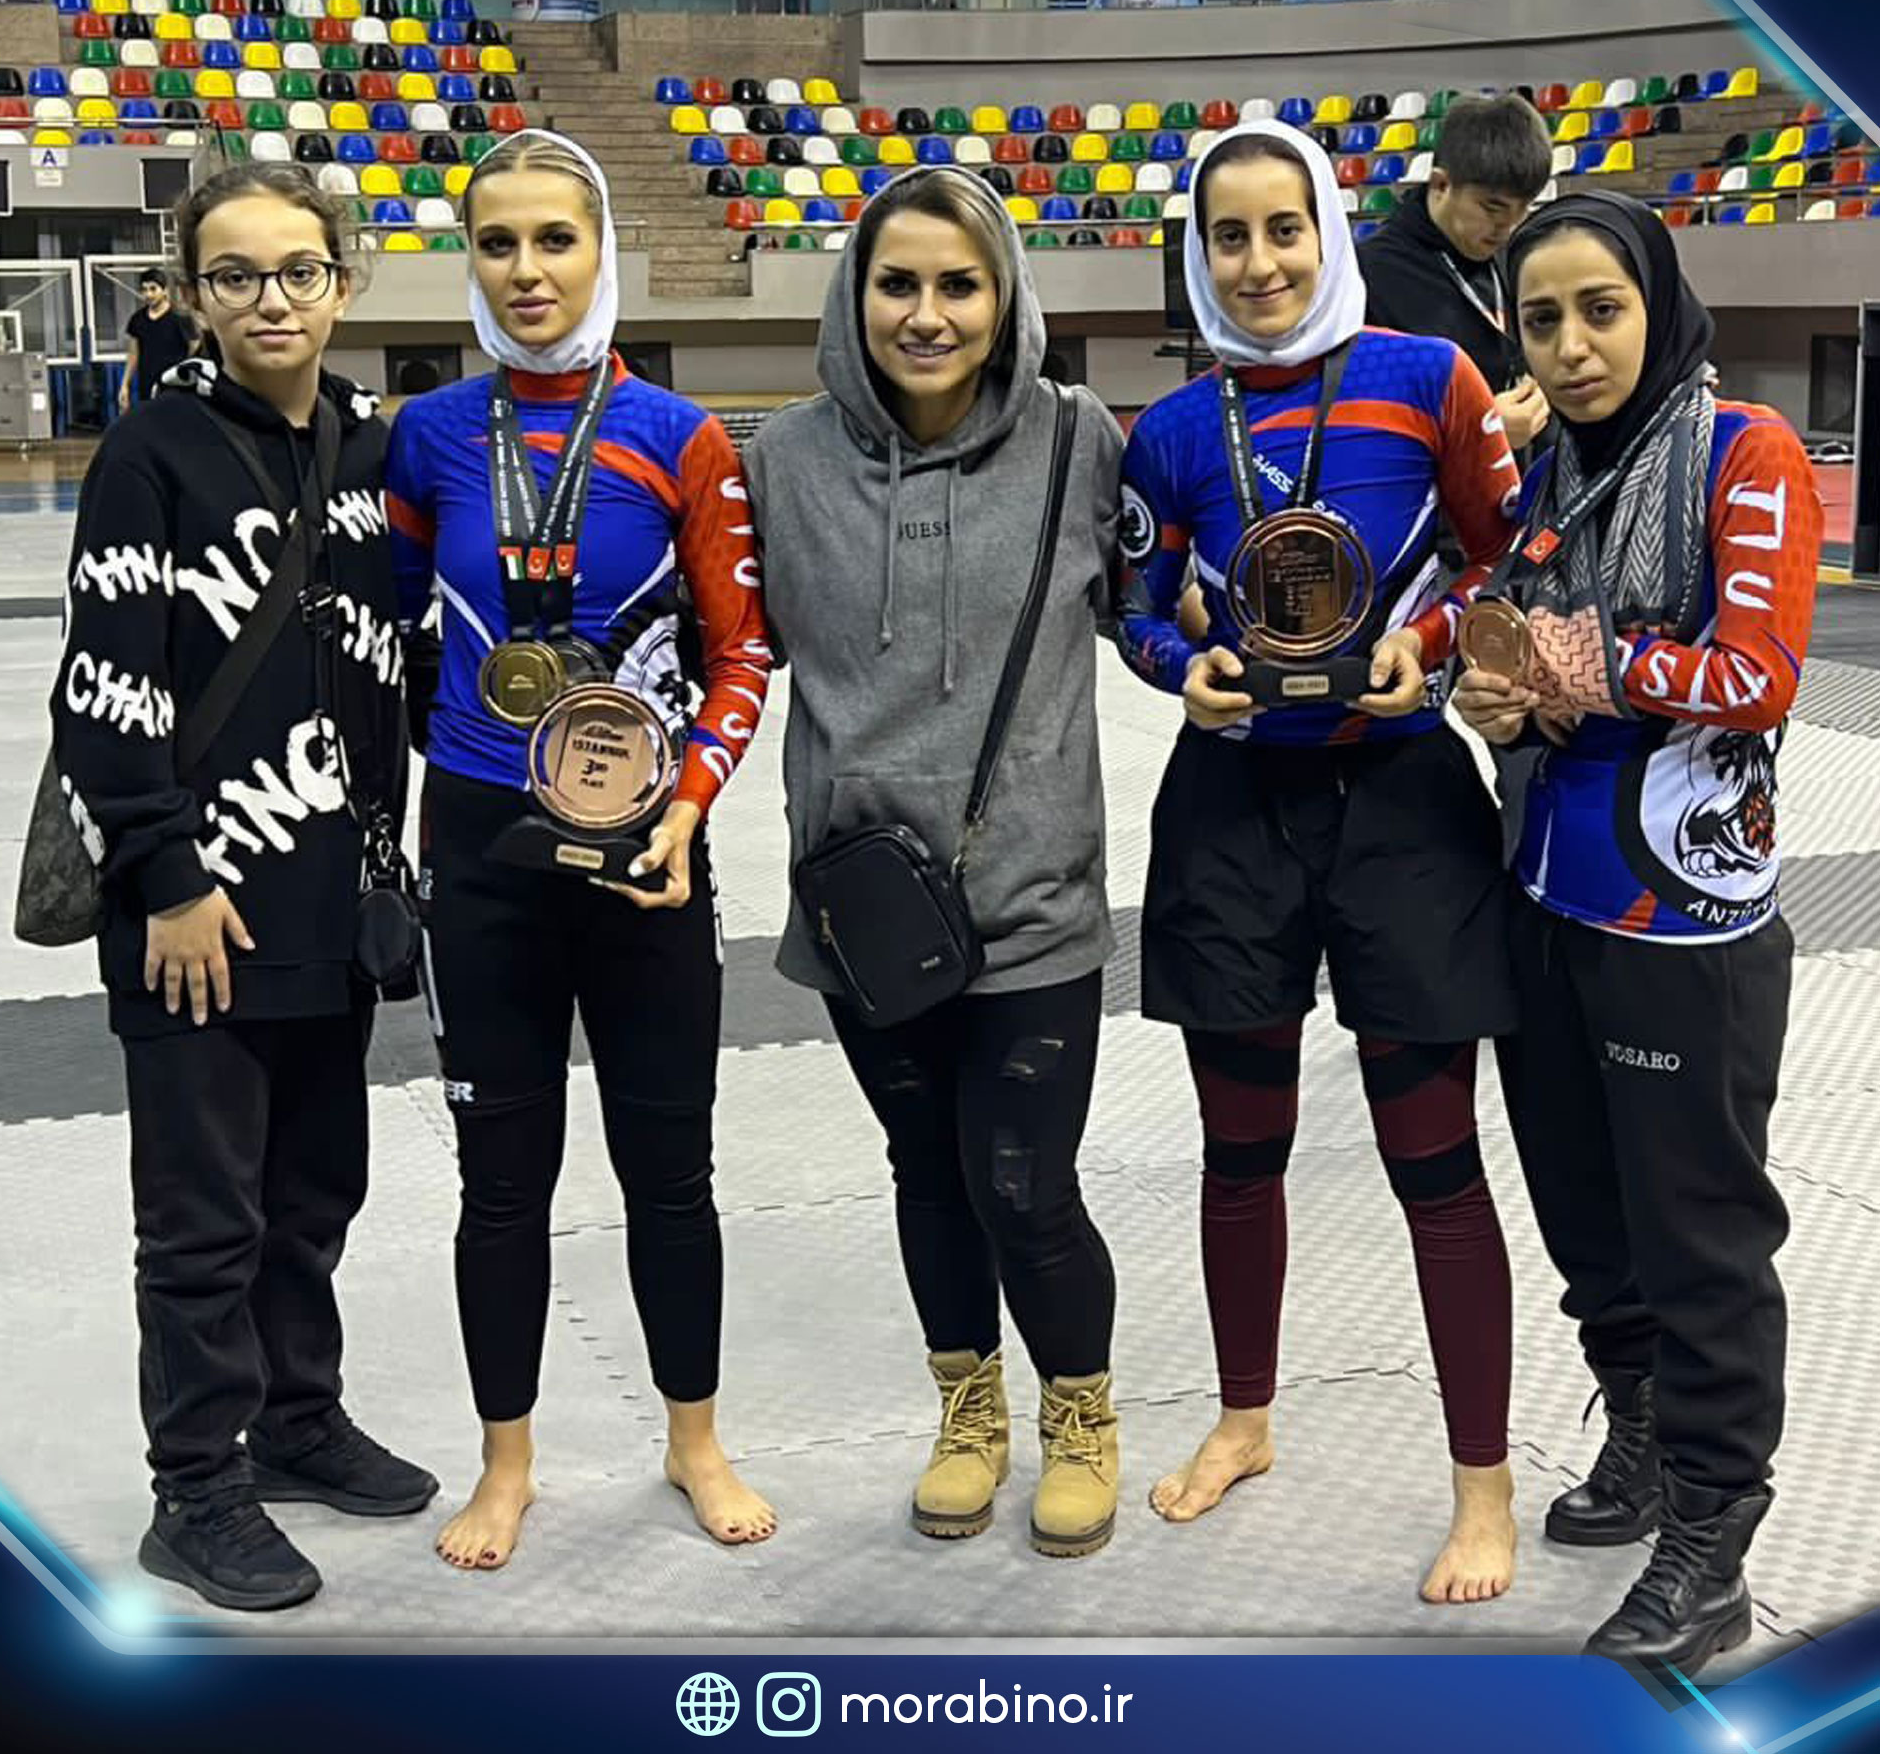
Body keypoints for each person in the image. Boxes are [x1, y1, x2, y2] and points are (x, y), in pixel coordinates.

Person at [1117, 120, 1524, 1603]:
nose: (1259, 261)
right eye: (1228, 235)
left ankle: (1482, 1486)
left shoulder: (1430, 379)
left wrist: (1435, 642)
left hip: (1402, 800)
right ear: (1199, 253)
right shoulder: (1174, 428)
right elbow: (1134, 600)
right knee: (1241, 1150)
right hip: (1234, 805)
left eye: (1283, 227)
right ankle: (1245, 1417)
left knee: (1435, 1161)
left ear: (1328, 232)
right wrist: (1182, 668)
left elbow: (1507, 551)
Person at [384, 129, 777, 1569]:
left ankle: (694, 1438)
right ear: (470, 259)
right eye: (498, 242)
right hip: (483, 844)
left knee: (670, 1169)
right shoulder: (426, 435)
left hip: (643, 846)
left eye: (555, 238)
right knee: (502, 1179)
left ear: (603, 249)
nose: (528, 269)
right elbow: (395, 633)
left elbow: (742, 657)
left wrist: (688, 807)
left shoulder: (681, 436)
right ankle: (508, 1462)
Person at [51, 162, 437, 1613]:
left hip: (331, 902)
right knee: (202, 1218)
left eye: (296, 270)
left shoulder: (370, 449)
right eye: (235, 275)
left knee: (312, 1192)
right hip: (195, 909)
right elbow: (103, 688)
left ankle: (294, 1419)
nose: (270, 299)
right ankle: (196, 1486)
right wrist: (163, 874)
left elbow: (402, 661)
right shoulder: (149, 453)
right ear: (192, 294)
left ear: (342, 281)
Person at [1454, 192, 1822, 1675]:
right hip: (1544, 894)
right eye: (1541, 319)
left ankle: (1713, 1536)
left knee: (1697, 1236)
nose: (1572, 345)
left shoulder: (1746, 451)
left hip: (1683, 922)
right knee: (1585, 1217)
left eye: (1599, 310)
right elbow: (1499, 625)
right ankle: (1646, 1435)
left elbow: (1759, 672)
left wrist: (1571, 659)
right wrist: (1491, 687)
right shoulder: (1548, 468)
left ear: (1655, 305)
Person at [739, 167, 1128, 1558]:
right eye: (896, 283)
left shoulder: (1080, 441)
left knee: (1023, 1183)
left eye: (959, 284)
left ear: (1005, 296)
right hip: (866, 909)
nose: (926, 313)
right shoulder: (781, 462)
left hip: (1031, 900)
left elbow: (1165, 611)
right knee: (925, 1168)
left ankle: (1079, 1415)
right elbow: (721, 644)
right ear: (854, 295)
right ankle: (969, 1412)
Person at [1358, 94, 1554, 457]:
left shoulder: (1515, 253)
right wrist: (1477, 428)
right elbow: (1361, 421)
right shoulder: (1368, 276)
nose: (1508, 227)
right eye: (1493, 208)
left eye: (1523, 209)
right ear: (1440, 185)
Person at [119, 267, 197, 412]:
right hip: (147, 388)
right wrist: (124, 385)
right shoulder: (137, 320)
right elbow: (133, 354)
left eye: (153, 289)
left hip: (176, 389)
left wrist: (186, 377)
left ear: (165, 290)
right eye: (144, 289)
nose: (148, 294)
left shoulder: (181, 318)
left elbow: (195, 349)